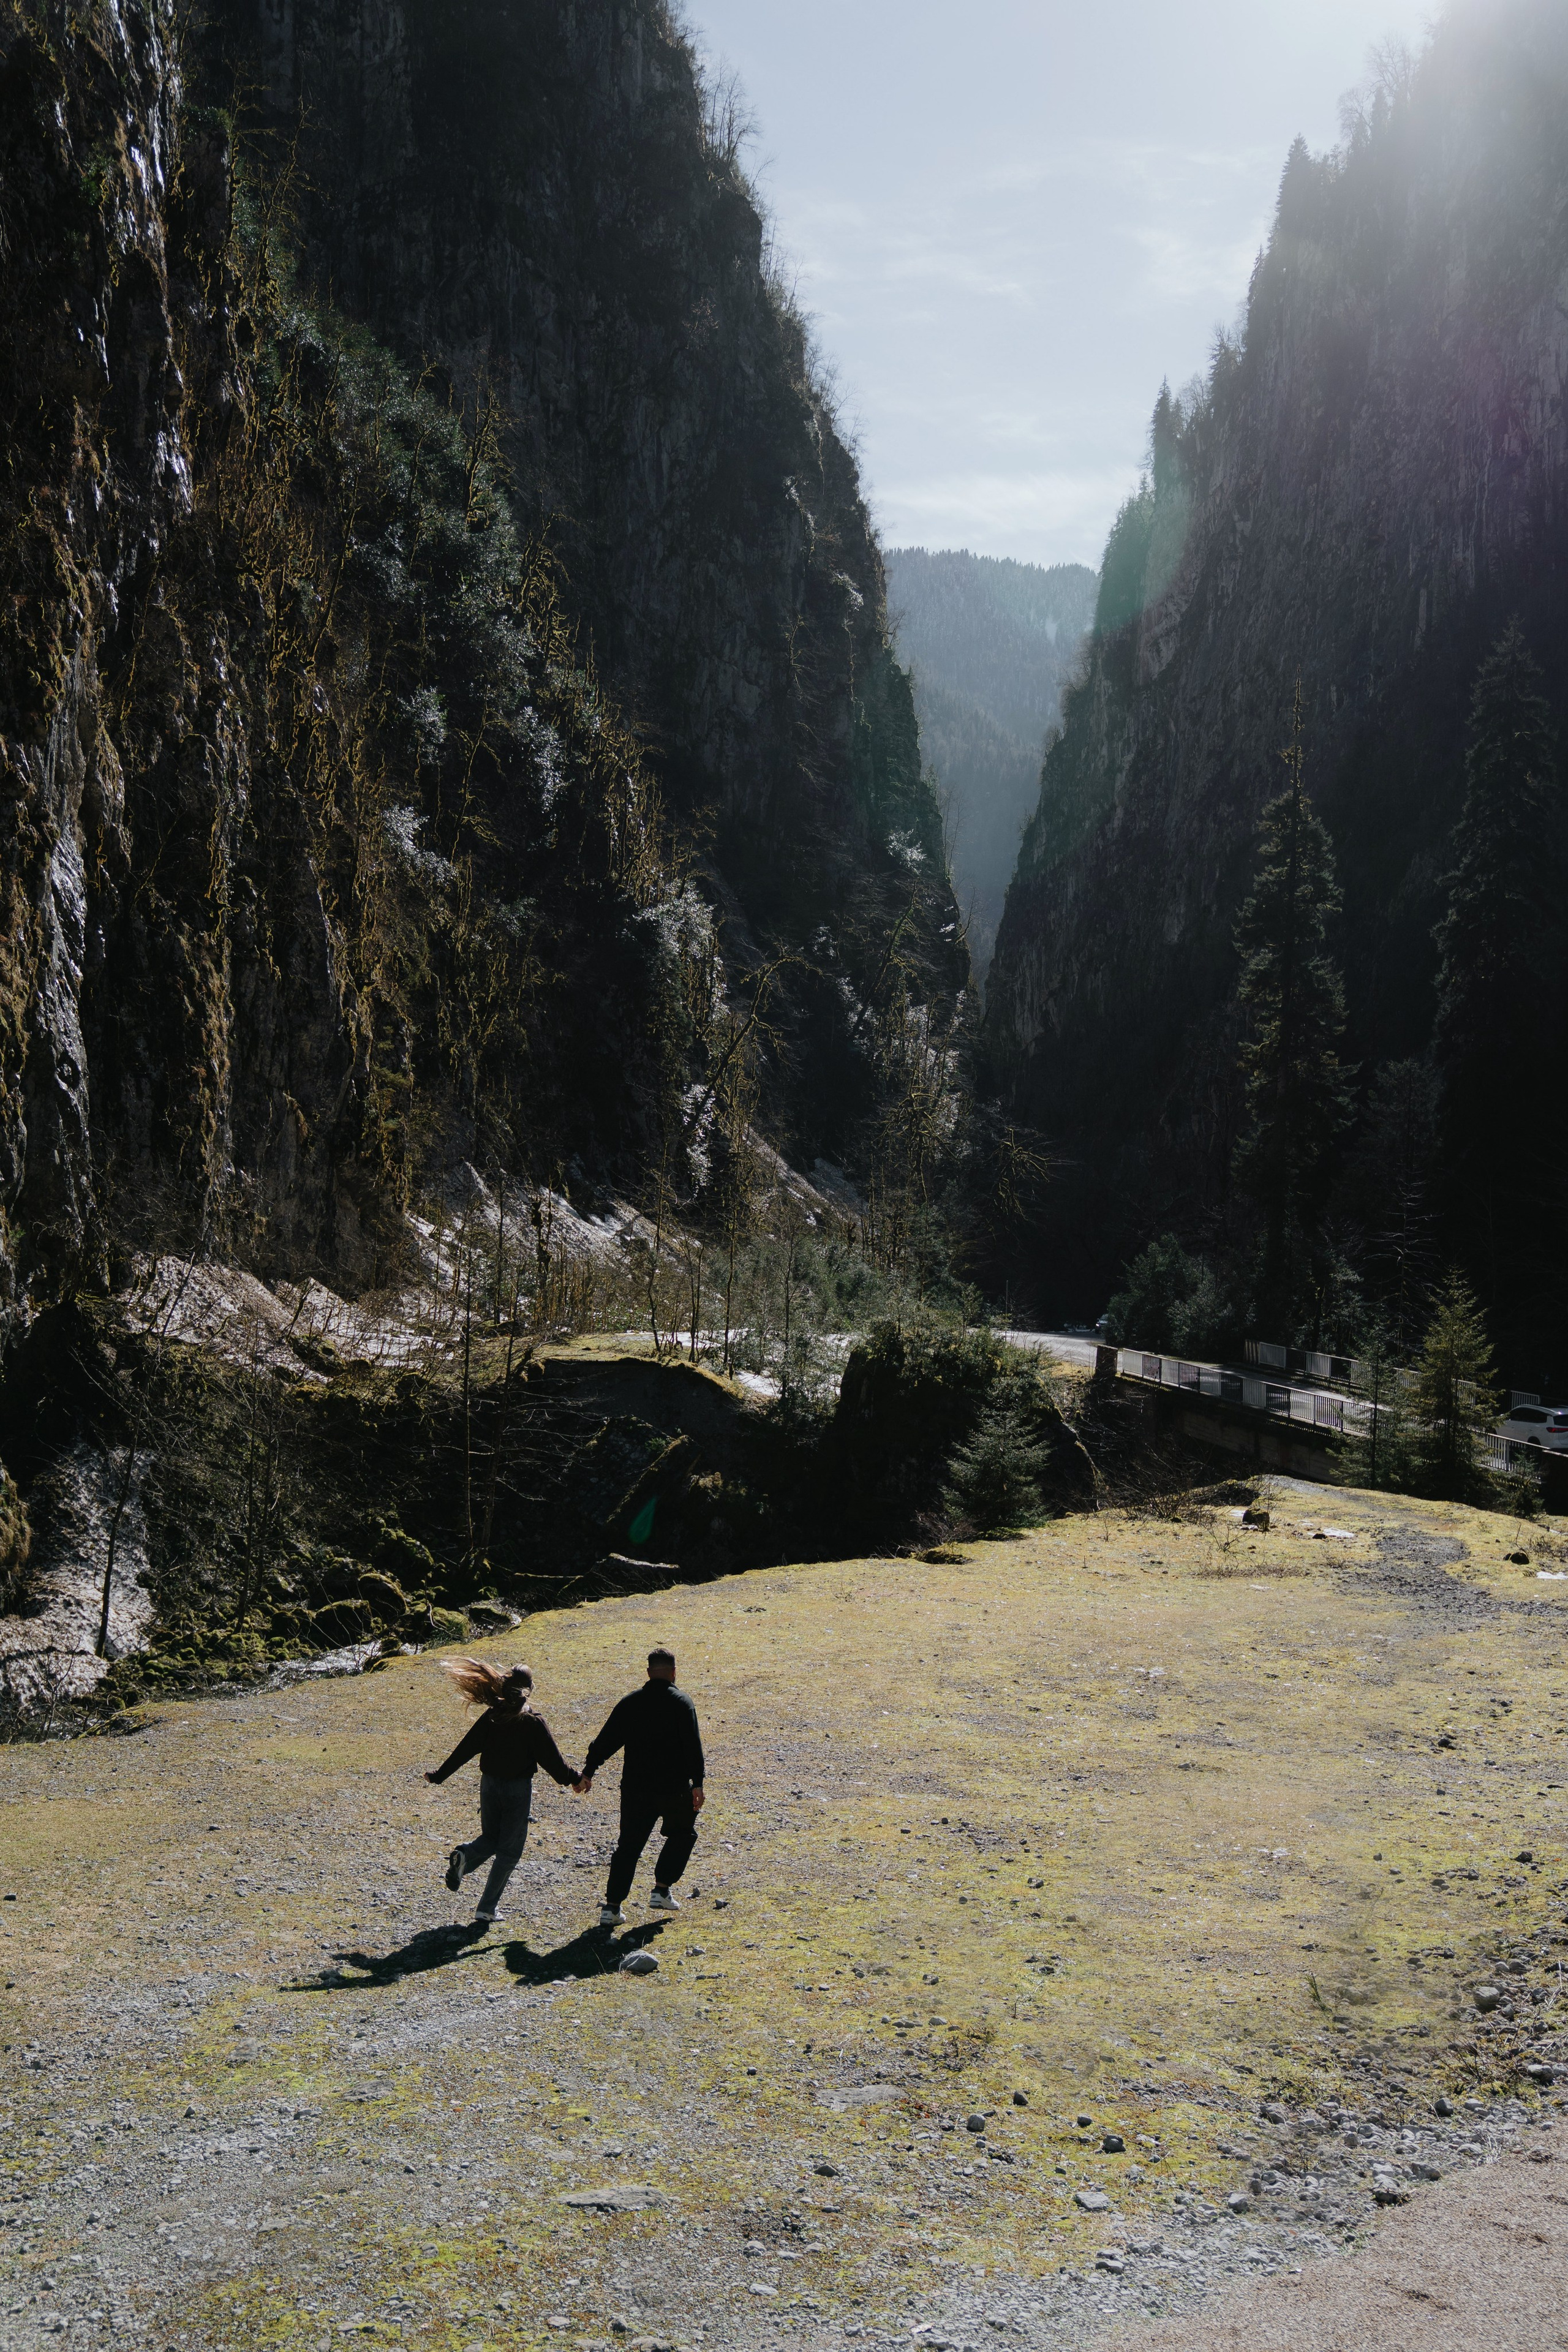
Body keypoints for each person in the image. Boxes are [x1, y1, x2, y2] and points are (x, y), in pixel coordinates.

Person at [424, 1659, 579, 1926]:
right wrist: (575, 1779)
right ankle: (486, 1909)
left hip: (489, 1785)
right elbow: (553, 1761)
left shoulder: (492, 1716)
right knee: (509, 1851)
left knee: (491, 1837)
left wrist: (440, 1776)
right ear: (529, 1690)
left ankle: (466, 1856)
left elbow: (466, 1748)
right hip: (517, 1790)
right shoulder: (532, 1721)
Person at [575, 1646, 705, 1927]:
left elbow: (606, 1741)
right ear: (673, 1673)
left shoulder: (630, 1703)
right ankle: (661, 1889)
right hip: (674, 1788)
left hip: (636, 1789)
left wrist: (589, 1770)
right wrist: (698, 1783)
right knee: (682, 1834)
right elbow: (693, 1746)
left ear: (648, 1673)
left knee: (629, 1847)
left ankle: (611, 1908)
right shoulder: (683, 1703)